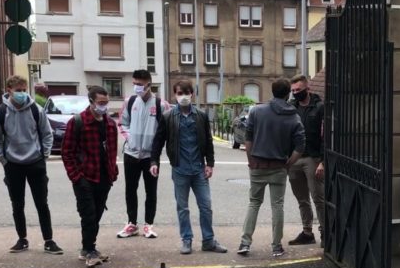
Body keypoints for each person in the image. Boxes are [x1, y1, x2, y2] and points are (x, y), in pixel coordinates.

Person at [0, 74, 63, 255]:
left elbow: (47, 134)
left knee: (42, 203)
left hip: (35, 163)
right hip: (13, 165)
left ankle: (49, 240)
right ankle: (22, 239)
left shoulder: (36, 110)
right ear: (9, 91)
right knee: (17, 204)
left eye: (23, 90)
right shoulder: (0, 113)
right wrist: (3, 160)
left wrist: (43, 155)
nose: (21, 93)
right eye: (17, 90)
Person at [149, 81, 227, 255]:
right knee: (182, 208)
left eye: (186, 92)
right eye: (179, 93)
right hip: (180, 170)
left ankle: (208, 241)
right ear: (175, 95)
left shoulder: (200, 115)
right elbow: (158, 140)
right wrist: (153, 162)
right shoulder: (168, 116)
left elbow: (208, 141)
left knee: (206, 206)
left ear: (192, 93)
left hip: (199, 170)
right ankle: (187, 240)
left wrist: (210, 164)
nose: (182, 96)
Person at [237, 79, 305, 257]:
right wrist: (289, 163)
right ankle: (276, 246)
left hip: (258, 164)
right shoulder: (294, 116)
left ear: (272, 92)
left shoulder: (257, 111)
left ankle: (245, 242)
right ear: (287, 93)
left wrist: (251, 160)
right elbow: (300, 146)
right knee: (277, 206)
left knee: (254, 203)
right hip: (279, 166)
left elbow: (248, 137)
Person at [62, 86, 119, 268]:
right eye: (100, 103)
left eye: (106, 103)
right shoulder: (78, 122)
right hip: (85, 176)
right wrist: (76, 177)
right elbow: (67, 152)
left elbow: (112, 151)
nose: (104, 106)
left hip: (104, 177)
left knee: (97, 215)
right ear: (91, 102)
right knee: (88, 214)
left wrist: (113, 172)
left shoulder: (110, 124)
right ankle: (89, 250)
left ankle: (88, 248)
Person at [117, 69, 164, 239]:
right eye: (135, 84)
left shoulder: (160, 104)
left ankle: (148, 225)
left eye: (140, 84)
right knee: (131, 189)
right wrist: (131, 140)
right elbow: (122, 123)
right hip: (131, 154)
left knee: (151, 191)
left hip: (150, 157)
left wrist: (155, 151)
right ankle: (131, 223)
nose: (136, 87)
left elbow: (163, 130)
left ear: (149, 84)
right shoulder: (129, 102)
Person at [286, 75, 326, 247]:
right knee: (302, 199)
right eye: (293, 90)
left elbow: (326, 137)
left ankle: (326, 232)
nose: (296, 93)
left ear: (307, 89)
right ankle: (307, 232)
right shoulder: (291, 107)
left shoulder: (319, 107)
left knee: (318, 197)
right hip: (294, 159)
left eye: (299, 90)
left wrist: (323, 162)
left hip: (312, 157)